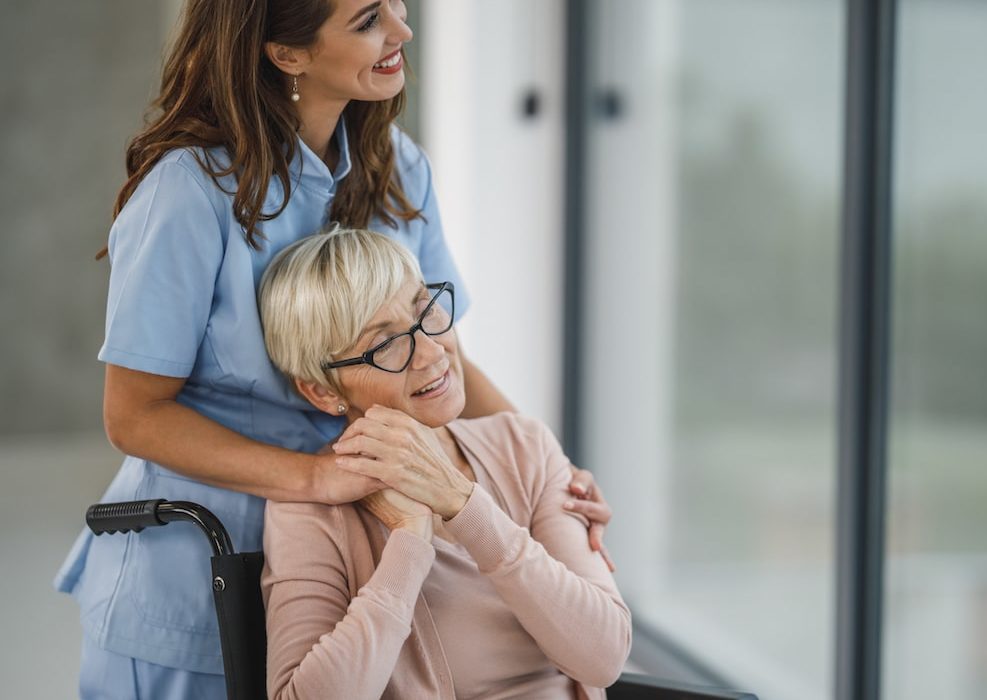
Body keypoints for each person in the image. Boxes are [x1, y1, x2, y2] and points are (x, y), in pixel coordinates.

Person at [57, 1, 611, 697]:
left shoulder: (396, 166)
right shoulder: (188, 193)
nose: (402, 30)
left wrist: (554, 475)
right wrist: (316, 481)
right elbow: (134, 416)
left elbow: (443, 359)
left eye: (395, 5)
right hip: (205, 565)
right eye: (368, 20)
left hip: (361, 553)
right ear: (287, 53)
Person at [257, 227, 630, 699]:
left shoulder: (524, 446)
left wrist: (463, 504)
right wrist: (409, 541)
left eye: (425, 310)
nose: (433, 352)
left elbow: (605, 655)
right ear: (322, 391)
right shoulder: (309, 511)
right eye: (386, 344)